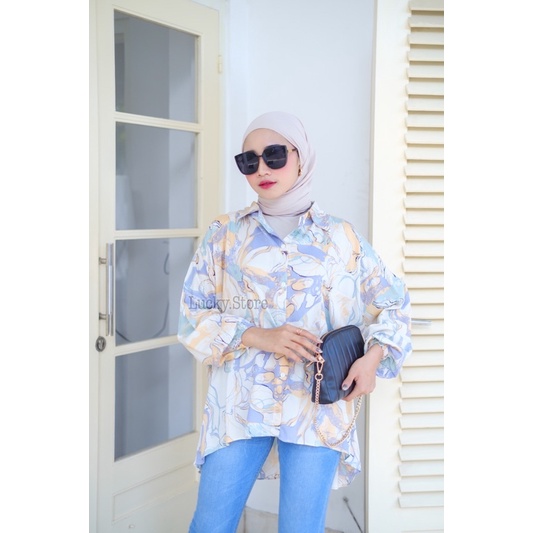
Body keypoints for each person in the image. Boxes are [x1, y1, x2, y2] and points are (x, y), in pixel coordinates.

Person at [178, 111, 411, 533]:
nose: (261, 169)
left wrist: (373, 358)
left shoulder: (340, 238)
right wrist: (258, 335)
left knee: (301, 527)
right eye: (248, 161)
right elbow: (192, 314)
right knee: (210, 524)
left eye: (274, 155)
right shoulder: (224, 234)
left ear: (301, 157)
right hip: (239, 400)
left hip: (317, 406)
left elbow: (393, 301)